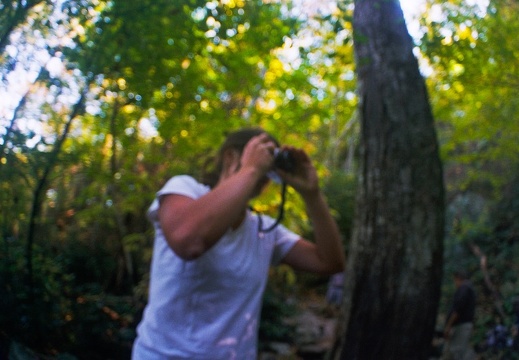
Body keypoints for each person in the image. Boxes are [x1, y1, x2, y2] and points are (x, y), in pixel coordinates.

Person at [132, 128, 345, 359]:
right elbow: (189, 241)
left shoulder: (264, 230)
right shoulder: (185, 190)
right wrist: (251, 169)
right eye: (262, 156)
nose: (266, 171)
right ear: (231, 158)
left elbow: (329, 262)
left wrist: (311, 194)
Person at [442, 269, 477, 360]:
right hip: (463, 324)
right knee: (452, 351)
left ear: (458, 279)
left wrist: (448, 326)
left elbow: (457, 309)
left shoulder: (464, 288)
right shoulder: (469, 289)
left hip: (461, 325)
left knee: (456, 351)